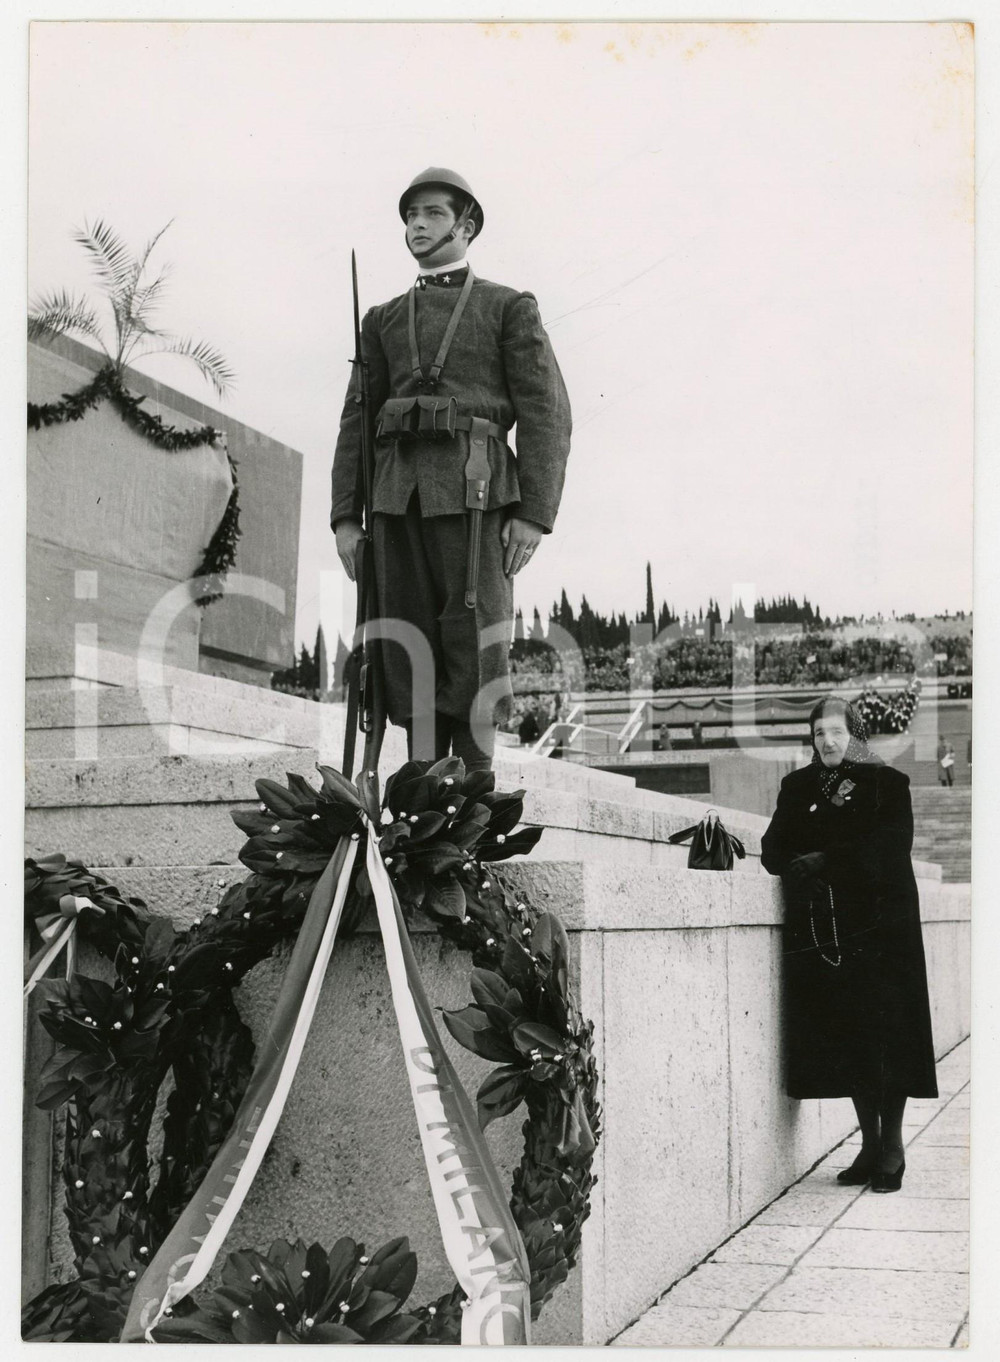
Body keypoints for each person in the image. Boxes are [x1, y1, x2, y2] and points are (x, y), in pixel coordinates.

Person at [331, 168, 572, 771]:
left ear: (466, 227)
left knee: (475, 645)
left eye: (433, 213)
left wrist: (534, 515)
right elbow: (356, 422)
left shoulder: (507, 308)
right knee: (405, 647)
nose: (417, 224)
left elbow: (548, 413)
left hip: (477, 495)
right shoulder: (382, 319)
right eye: (410, 215)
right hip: (393, 502)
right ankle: (420, 812)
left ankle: (474, 811)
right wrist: (344, 518)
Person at [760, 696, 937, 1193]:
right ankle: (869, 1142)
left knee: (890, 1037)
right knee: (853, 1037)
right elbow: (772, 847)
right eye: (819, 734)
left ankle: (894, 1148)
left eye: (837, 732)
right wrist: (795, 866)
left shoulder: (887, 783)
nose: (828, 741)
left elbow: (890, 845)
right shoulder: (797, 788)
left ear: (854, 734)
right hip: (833, 931)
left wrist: (825, 860)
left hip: (884, 930)